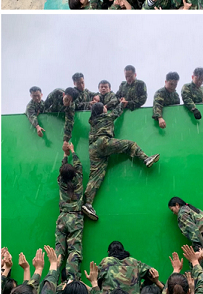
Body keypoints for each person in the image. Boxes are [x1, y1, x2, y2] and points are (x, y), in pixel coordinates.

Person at [82, 102, 159, 221]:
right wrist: (122, 104)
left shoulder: (93, 121)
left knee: (95, 176)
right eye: (104, 107)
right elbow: (116, 112)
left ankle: (87, 203)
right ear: (102, 110)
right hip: (104, 142)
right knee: (130, 145)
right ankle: (145, 158)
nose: (106, 108)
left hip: (93, 149)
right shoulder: (106, 116)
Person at [56, 141, 84, 281]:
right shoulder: (78, 179)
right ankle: (71, 280)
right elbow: (79, 165)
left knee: (59, 250)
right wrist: (73, 151)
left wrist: (65, 154)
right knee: (74, 250)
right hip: (75, 217)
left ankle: (53, 277)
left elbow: (62, 169)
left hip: (62, 217)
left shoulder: (61, 181)